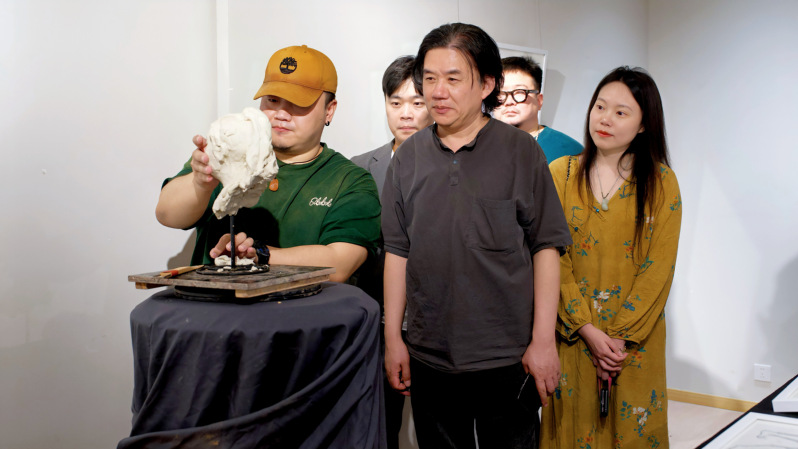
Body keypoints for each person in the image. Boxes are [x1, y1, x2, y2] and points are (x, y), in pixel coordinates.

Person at [381, 23, 572, 448]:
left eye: (453, 79)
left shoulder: (521, 152)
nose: (438, 92)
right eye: (430, 78)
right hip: (430, 355)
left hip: (507, 356)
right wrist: (394, 339)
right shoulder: (408, 158)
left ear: (486, 84)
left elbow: (546, 248)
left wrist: (543, 341)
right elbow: (398, 252)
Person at [155, 45, 381, 283]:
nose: (281, 114)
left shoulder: (349, 181)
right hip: (210, 304)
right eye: (272, 100)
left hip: (299, 307)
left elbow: (340, 263)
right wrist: (201, 182)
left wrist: (259, 254)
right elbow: (167, 215)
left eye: (299, 103)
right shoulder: (230, 150)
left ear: (329, 110)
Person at [541, 67, 681, 447]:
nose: (605, 119)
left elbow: (659, 268)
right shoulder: (560, 173)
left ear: (643, 124)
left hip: (633, 342)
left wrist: (617, 340)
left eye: (621, 112)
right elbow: (552, 257)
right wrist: (587, 329)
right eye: (600, 107)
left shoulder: (661, 182)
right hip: (573, 334)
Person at [351, 55, 433, 449]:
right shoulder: (359, 169)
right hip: (375, 315)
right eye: (395, 102)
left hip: (434, 319)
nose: (406, 113)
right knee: (380, 425)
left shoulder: (453, 165)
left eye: (417, 102)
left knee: (437, 426)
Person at [493, 56, 582, 162]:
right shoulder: (479, 144)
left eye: (519, 92)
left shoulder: (569, 152)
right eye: (499, 93)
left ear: (539, 101)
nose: (509, 101)